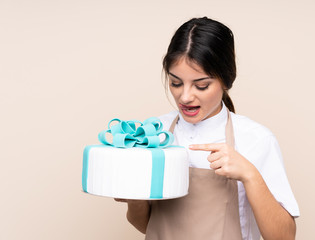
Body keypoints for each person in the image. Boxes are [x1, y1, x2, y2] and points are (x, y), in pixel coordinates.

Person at [116, 17, 300, 240]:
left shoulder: (255, 139)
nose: (185, 96)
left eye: (201, 85)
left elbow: (284, 237)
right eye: (175, 83)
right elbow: (147, 225)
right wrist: (134, 195)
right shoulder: (155, 133)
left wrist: (250, 175)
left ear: (225, 80)